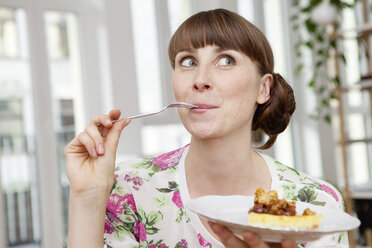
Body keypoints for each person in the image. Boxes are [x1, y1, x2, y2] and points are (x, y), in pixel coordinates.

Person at [65, 8, 348, 248]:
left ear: (264, 88)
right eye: (187, 62)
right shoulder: (128, 190)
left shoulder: (317, 205)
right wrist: (87, 196)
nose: (200, 79)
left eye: (225, 60)